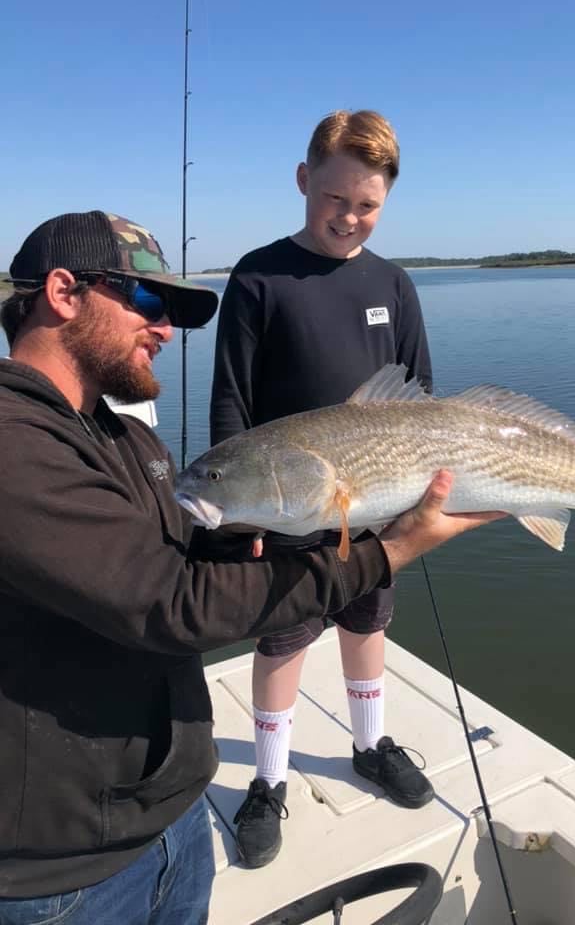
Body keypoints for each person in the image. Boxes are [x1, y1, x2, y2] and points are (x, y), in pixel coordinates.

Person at [0, 209, 503, 924]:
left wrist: (231, 539)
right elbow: (173, 604)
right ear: (62, 292)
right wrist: (386, 553)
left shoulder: (124, 441)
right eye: (147, 302)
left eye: (172, 310)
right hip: (64, 873)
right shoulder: (15, 442)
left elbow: (165, 556)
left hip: (171, 824)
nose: (166, 329)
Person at [210, 110, 436, 870]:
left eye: (366, 204)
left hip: (376, 496)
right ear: (305, 181)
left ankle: (369, 746)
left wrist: (419, 502)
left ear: (386, 202)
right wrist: (239, 517)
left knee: (367, 623)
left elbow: (423, 396)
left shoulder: (394, 284)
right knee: (281, 641)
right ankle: (269, 782)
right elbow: (231, 403)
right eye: (335, 198)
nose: (349, 216)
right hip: (285, 501)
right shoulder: (258, 276)